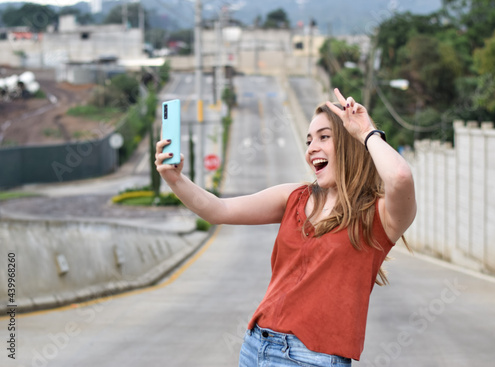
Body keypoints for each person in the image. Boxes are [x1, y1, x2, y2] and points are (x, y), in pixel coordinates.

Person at [155, 88, 417, 366]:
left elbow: (400, 177)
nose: (311, 148)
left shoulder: (379, 214)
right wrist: (174, 180)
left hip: (311, 358)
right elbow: (218, 210)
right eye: (308, 141)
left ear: (351, 143)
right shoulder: (295, 197)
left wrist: (366, 132)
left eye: (324, 137)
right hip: (256, 346)